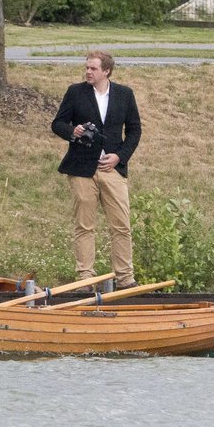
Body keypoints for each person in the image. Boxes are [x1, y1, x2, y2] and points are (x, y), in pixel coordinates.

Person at [51, 50, 140, 289]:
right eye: (87, 68)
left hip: (112, 169)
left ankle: (125, 278)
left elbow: (134, 130)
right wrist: (73, 131)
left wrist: (119, 156)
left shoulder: (124, 94)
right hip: (81, 168)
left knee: (121, 225)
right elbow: (57, 124)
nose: (88, 72)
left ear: (106, 71)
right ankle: (85, 279)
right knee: (84, 225)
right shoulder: (75, 92)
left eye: (93, 68)